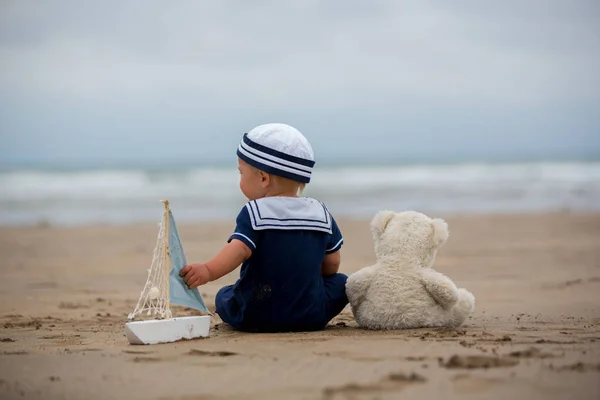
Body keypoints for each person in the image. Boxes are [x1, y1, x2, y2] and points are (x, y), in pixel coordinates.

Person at [179, 123, 348, 332]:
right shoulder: (320, 213)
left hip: (255, 315)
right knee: (342, 283)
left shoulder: (255, 212)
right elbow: (332, 265)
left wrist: (207, 270)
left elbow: (239, 249)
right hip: (310, 315)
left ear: (263, 178)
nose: (239, 179)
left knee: (225, 295)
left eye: (241, 173)